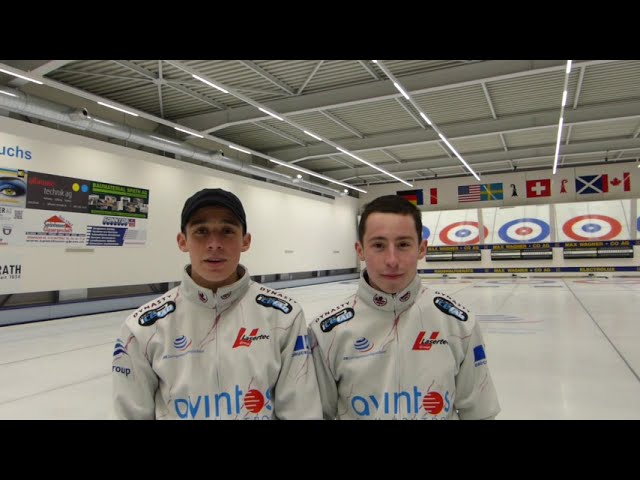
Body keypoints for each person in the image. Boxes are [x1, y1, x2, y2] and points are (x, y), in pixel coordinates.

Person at [112, 187, 322, 419]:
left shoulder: (283, 317)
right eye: (201, 231)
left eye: (227, 231)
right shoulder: (142, 328)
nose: (214, 243)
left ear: (245, 241)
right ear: (183, 241)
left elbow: (301, 410)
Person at [308, 194, 500, 420]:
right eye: (378, 245)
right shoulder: (326, 332)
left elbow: (479, 412)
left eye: (403, 245)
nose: (391, 259)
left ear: (421, 248)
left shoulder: (459, 324)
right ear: (360, 250)